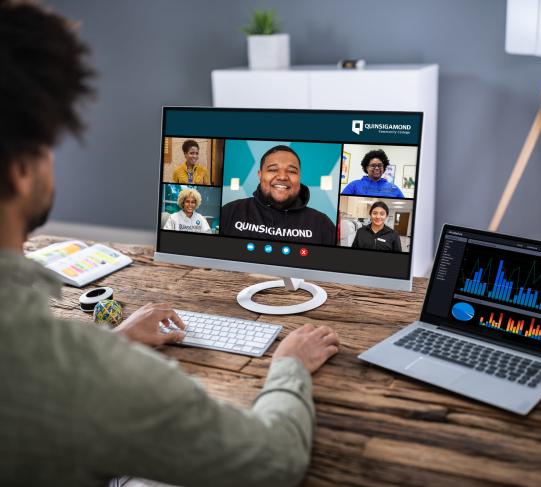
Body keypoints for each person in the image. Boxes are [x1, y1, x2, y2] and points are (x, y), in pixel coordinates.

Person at [0, 2, 340, 486]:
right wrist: (289, 367)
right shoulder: (74, 371)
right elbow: (273, 461)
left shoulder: (322, 221)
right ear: (20, 169)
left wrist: (113, 342)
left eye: (292, 169)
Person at [220, 145, 336, 245]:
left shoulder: (323, 225)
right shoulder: (229, 212)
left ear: (299, 177)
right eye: (273, 169)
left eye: (291, 171)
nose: (282, 176)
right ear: (260, 175)